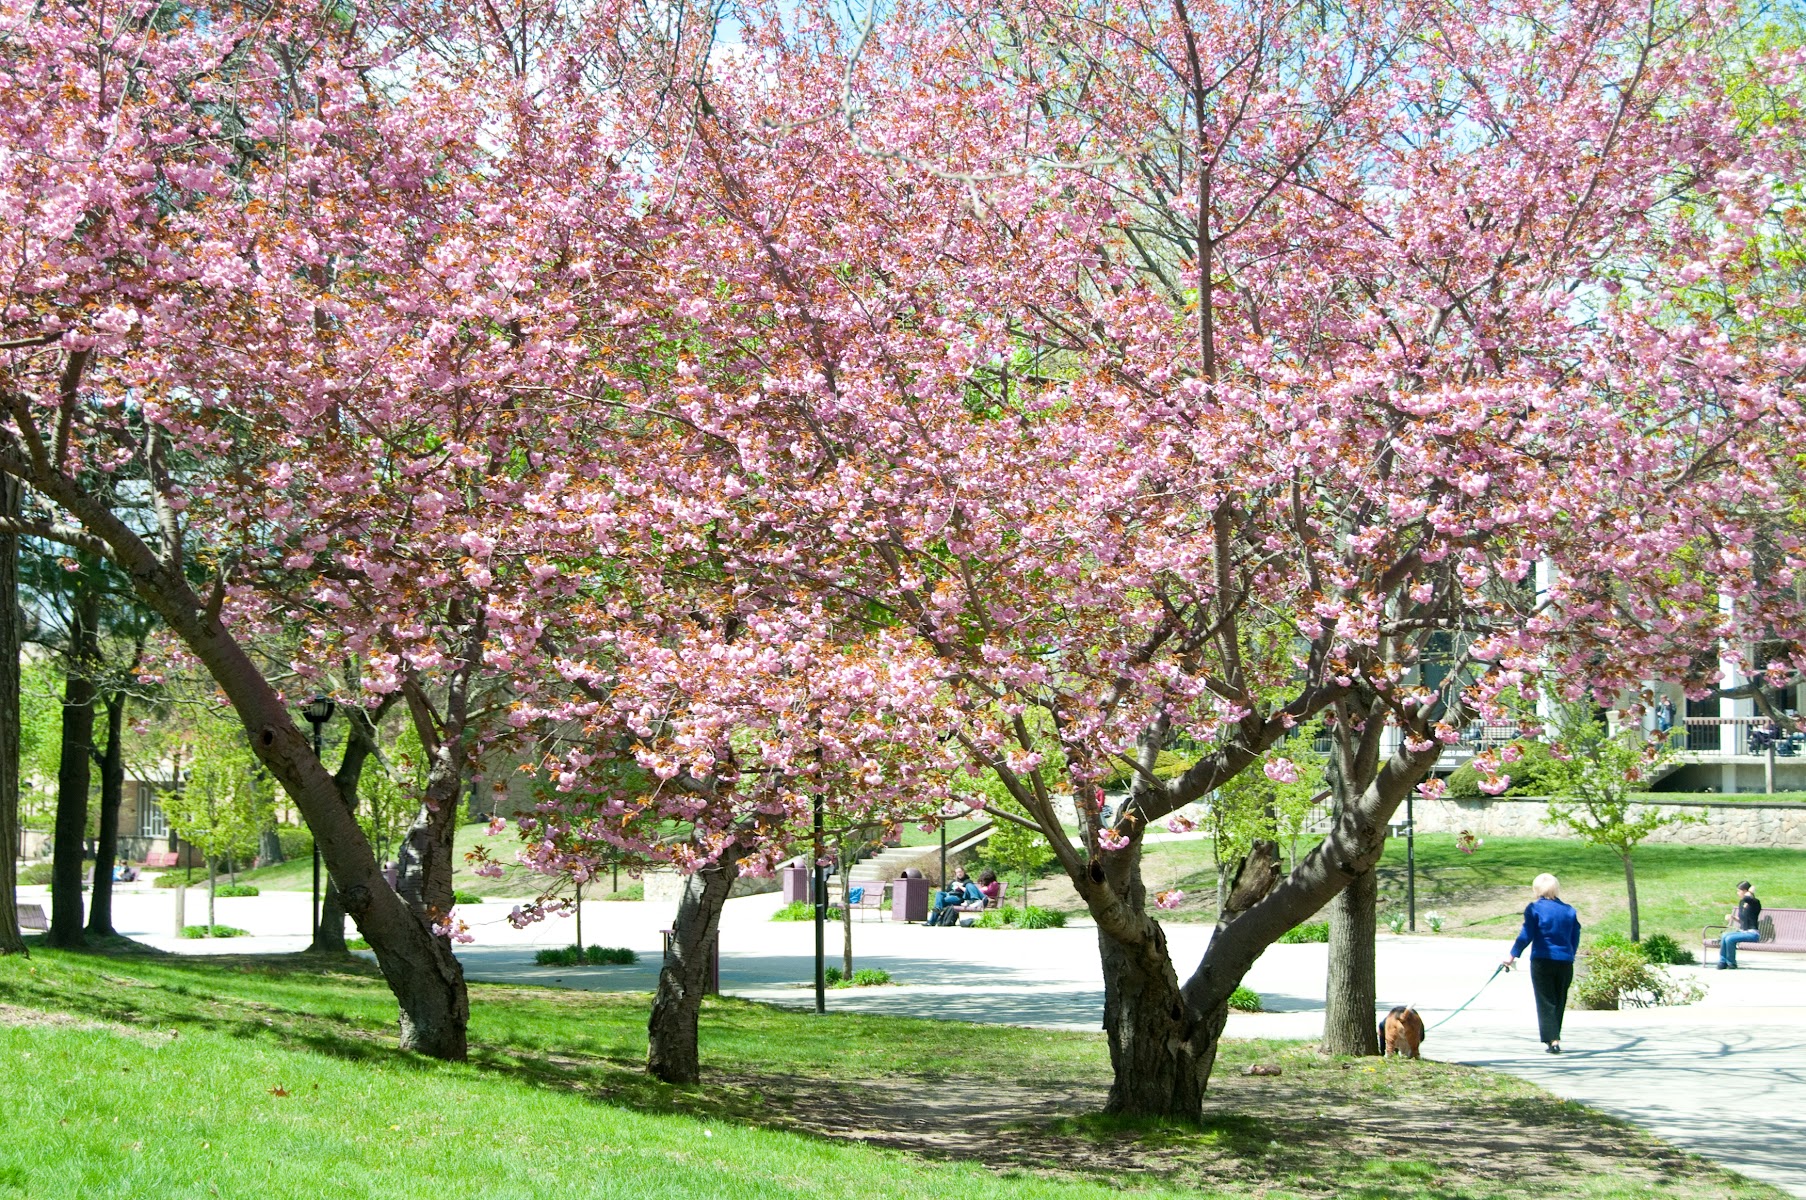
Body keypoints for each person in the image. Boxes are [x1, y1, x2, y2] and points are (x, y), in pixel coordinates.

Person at [1504, 873, 1581, 1054]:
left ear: (1536, 889)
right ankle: (1555, 1036)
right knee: (1559, 999)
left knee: (1546, 1000)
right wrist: (1570, 953)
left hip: (1542, 959)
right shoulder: (1570, 910)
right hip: (1565, 961)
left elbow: (1526, 935)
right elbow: (1575, 936)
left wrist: (1512, 955)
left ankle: (1552, 1040)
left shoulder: (1534, 909)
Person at [1718, 881, 1763, 969]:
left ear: (1745, 891)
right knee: (1724, 936)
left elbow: (1747, 899)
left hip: (1752, 934)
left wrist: (1750, 892)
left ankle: (1731, 963)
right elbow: (1742, 920)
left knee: (1729, 939)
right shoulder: (1742, 903)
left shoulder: (1755, 902)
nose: (1737, 893)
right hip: (1743, 932)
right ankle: (1723, 962)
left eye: (1739, 891)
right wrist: (1733, 917)